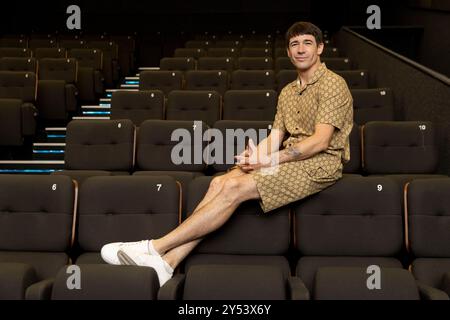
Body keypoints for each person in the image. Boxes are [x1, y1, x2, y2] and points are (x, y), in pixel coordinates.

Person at [101, 21, 353, 286]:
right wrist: (254, 156)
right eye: (294, 44)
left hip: (321, 165)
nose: (300, 49)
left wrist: (267, 160)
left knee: (233, 188)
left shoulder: (334, 84)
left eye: (307, 43)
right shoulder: (288, 92)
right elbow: (276, 137)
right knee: (220, 181)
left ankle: (154, 247)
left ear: (320, 48)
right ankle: (167, 264)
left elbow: (320, 142)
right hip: (292, 159)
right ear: (289, 52)